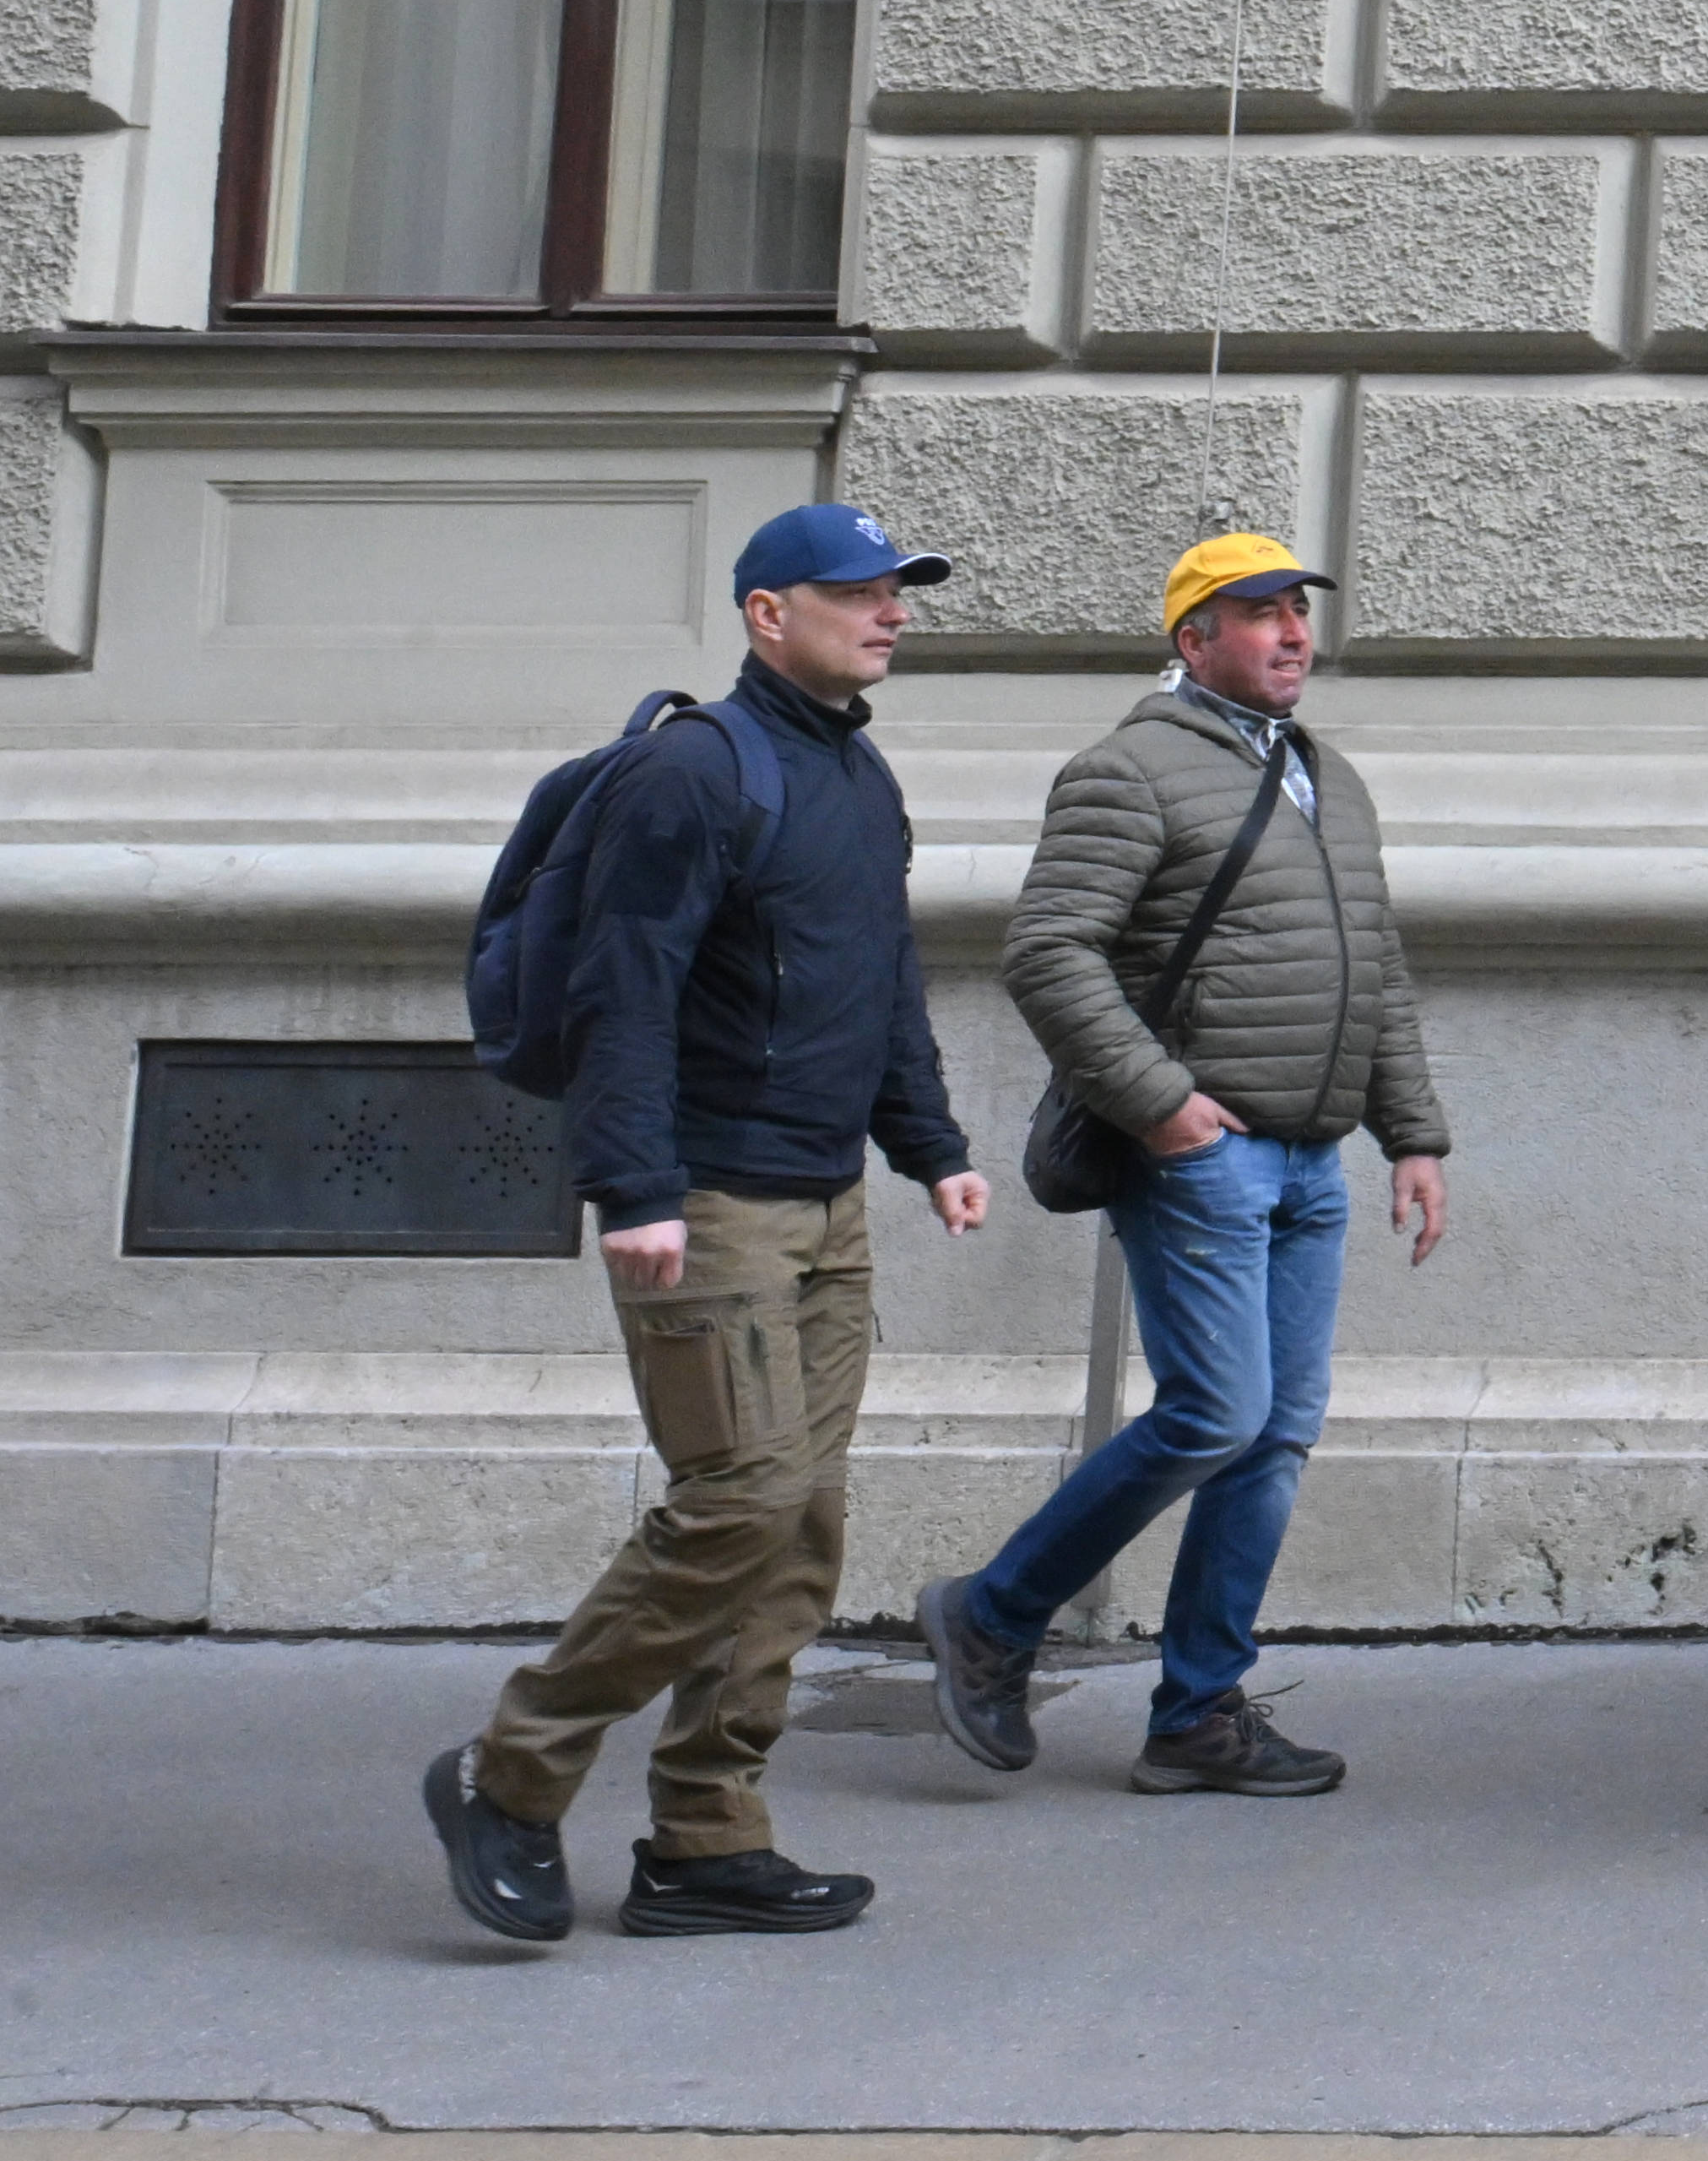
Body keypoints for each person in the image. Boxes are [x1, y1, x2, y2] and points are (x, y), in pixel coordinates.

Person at [420, 502, 993, 1948]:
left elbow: (886, 980)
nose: (891, 612)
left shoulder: (858, 777)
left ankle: (705, 1835)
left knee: (799, 1524)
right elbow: (625, 986)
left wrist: (931, 1148)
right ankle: (510, 1770)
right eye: (858, 592)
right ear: (764, 613)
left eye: (897, 593)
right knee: (735, 1498)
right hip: (713, 1196)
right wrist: (638, 1188)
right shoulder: (693, 773)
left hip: (825, 1198)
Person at [918, 530, 1450, 1804]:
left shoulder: (1328, 775)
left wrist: (1414, 1130)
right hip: (1204, 1156)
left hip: (1312, 1157)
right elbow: (1050, 952)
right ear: (1191, 638)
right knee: (1217, 1411)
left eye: (1295, 613)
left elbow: (1372, 966)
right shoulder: (1129, 770)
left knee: (1274, 1437)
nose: (1289, 634)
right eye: (1255, 613)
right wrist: (1160, 1107)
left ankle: (1197, 1711)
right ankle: (994, 1613)